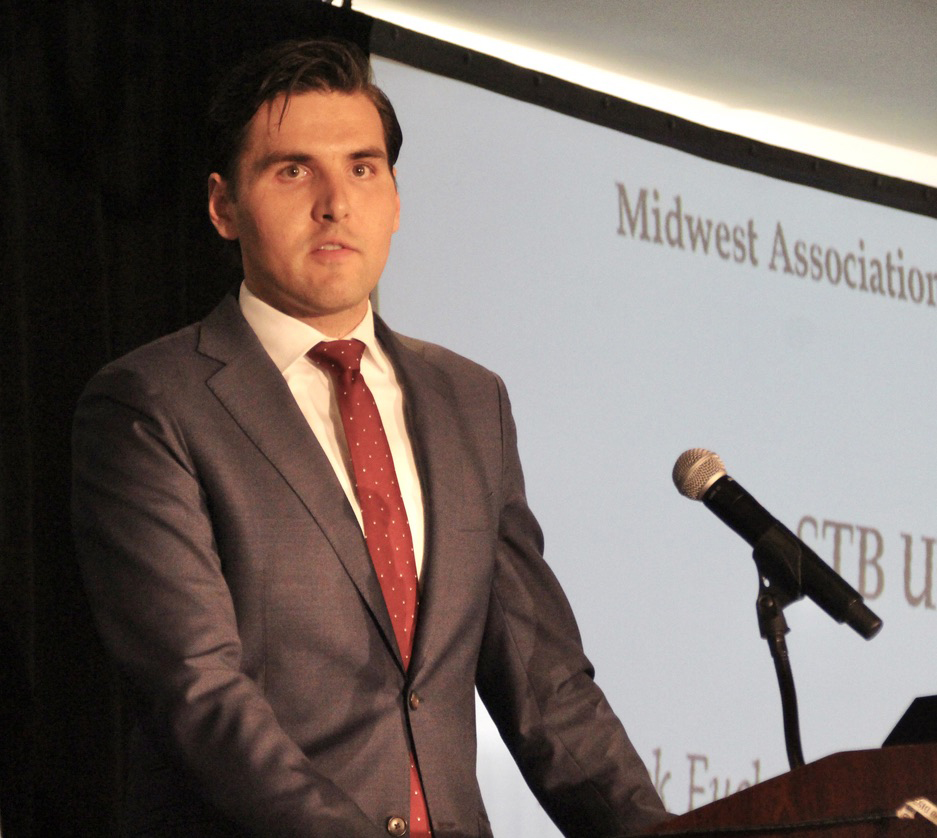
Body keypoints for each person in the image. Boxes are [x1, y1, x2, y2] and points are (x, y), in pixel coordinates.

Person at [72, 38, 669, 838]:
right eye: (293, 171)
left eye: (362, 169)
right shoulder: (152, 404)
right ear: (223, 207)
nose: (335, 203)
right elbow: (199, 693)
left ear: (393, 198)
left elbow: (546, 687)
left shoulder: (470, 401)